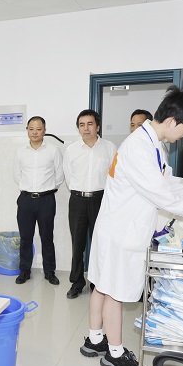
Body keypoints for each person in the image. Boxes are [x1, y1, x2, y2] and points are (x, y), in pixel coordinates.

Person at [80, 86, 183, 366]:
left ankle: (95, 338)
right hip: (121, 231)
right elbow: (162, 195)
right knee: (114, 291)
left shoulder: (152, 144)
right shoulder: (139, 147)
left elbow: (168, 182)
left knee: (102, 284)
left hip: (116, 227)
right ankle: (114, 354)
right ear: (172, 120)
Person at [63, 110, 116, 299]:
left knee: (99, 244)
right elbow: (68, 177)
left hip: (100, 200)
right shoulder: (71, 150)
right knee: (77, 244)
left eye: (90, 124)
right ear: (78, 128)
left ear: (98, 127)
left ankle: (97, 283)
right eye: (82, 125)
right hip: (77, 200)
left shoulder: (109, 148)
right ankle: (77, 282)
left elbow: (114, 175)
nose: (86, 128)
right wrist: (80, 191)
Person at [13, 116, 64, 285]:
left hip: (46, 200)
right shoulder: (20, 152)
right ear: (27, 130)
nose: (34, 132)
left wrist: (48, 189)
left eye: (38, 129)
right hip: (26, 200)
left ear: (44, 131)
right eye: (31, 129)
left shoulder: (53, 150)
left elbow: (59, 175)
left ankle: (49, 272)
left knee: (47, 237)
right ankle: (25, 271)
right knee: (25, 238)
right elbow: (17, 175)